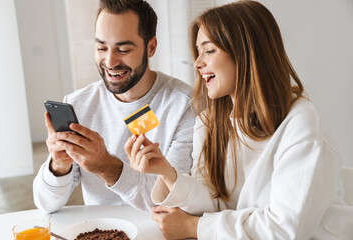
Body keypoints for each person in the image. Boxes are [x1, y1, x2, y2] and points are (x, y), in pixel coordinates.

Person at [124, 1, 353, 239]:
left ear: (245, 53)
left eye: (209, 50)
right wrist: (165, 171)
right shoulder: (209, 122)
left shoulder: (302, 126)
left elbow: (285, 230)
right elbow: (213, 204)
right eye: (198, 51)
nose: (197, 63)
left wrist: (194, 227)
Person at [33, 0, 195, 214]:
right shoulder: (79, 104)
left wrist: (107, 167)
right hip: (99, 232)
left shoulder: (184, 105)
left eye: (124, 49)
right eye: (101, 48)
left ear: (151, 47)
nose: (110, 62)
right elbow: (45, 204)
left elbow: (174, 202)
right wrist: (59, 165)